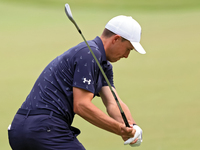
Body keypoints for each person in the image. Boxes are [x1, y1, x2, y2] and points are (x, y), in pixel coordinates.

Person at [8, 15, 145, 150]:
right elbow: (81, 105)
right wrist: (119, 129)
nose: (127, 55)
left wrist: (132, 127)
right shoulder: (90, 53)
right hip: (45, 128)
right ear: (116, 39)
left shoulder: (103, 65)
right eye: (128, 49)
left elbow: (113, 102)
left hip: (19, 129)